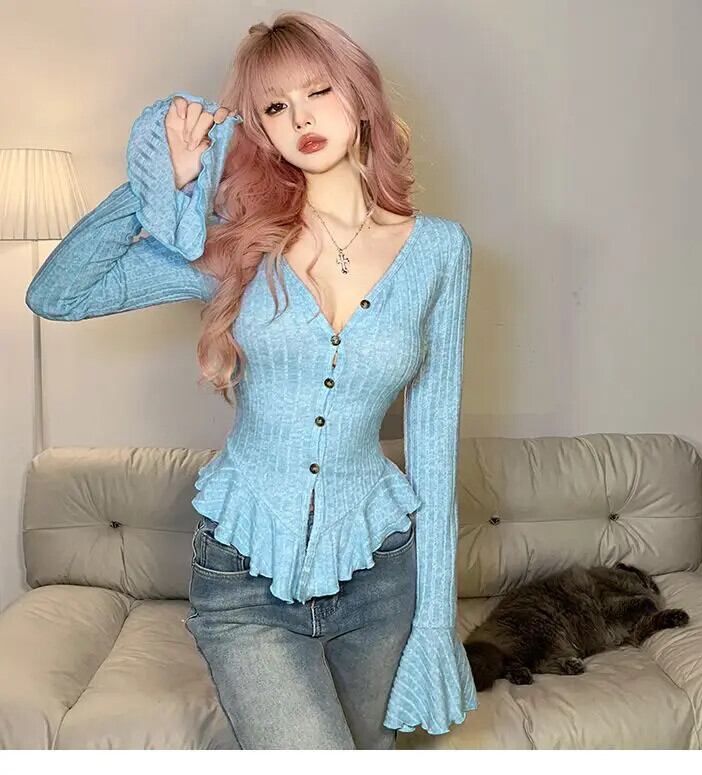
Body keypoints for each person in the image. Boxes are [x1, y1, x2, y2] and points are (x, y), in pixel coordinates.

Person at [25, 10, 477, 750]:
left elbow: (435, 443)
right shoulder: (237, 245)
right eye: (274, 106)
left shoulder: (440, 252)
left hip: (379, 575)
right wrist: (155, 184)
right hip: (244, 574)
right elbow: (59, 293)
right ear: (259, 130)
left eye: (319, 91)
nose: (301, 118)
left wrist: (434, 622)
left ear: (361, 97)